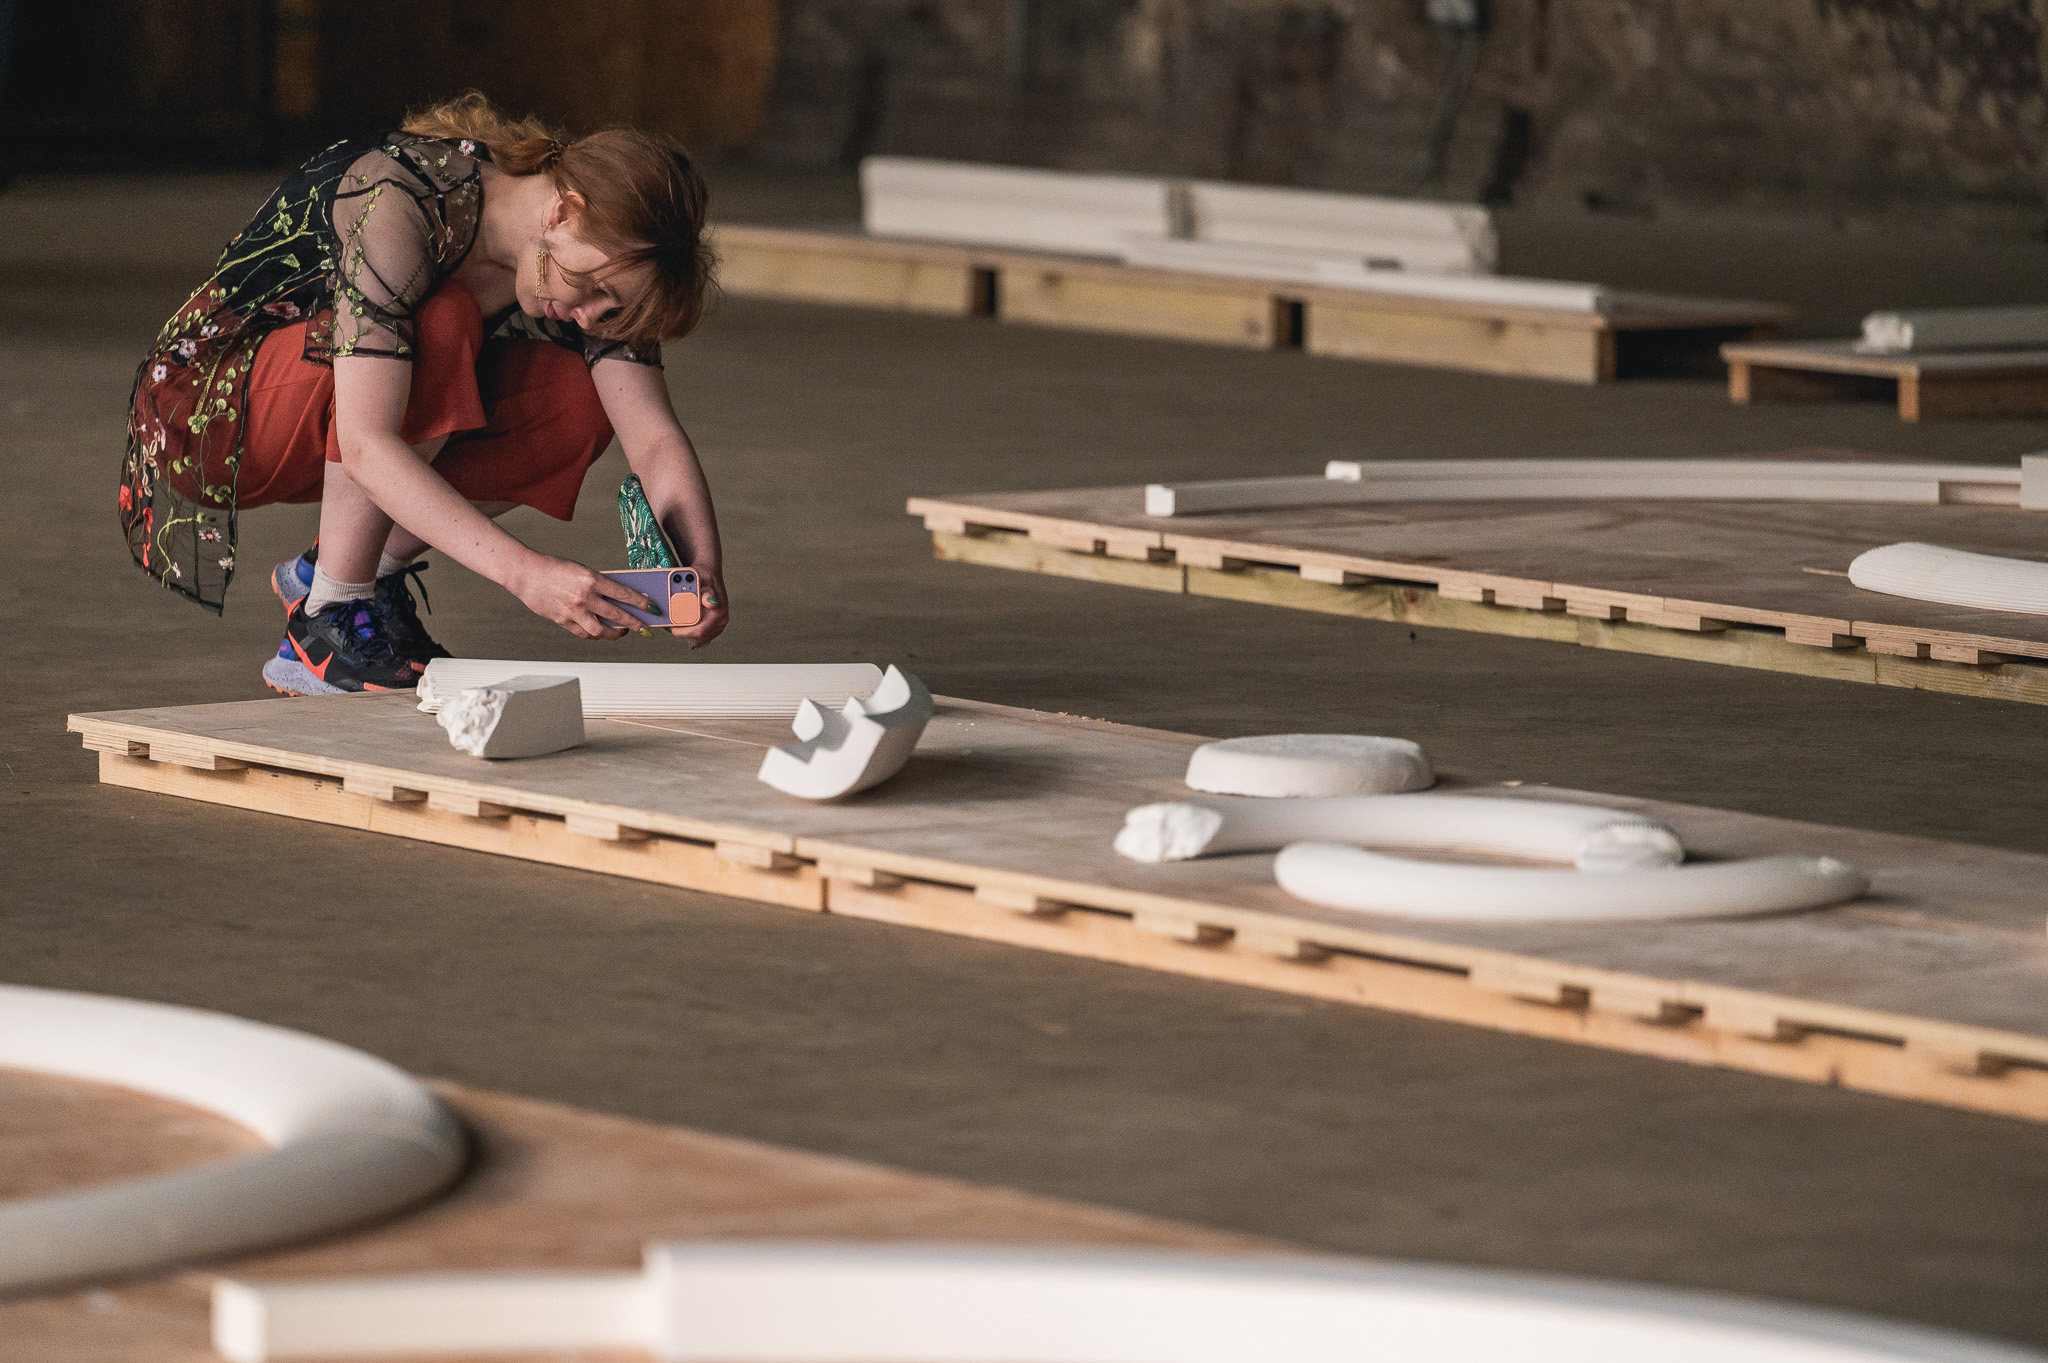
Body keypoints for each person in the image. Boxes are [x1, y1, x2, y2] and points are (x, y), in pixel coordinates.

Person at [120, 92, 729, 694]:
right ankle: (328, 618)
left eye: (612, 308)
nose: (592, 317)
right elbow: (365, 445)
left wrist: (701, 569)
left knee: (580, 400)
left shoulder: (571, 267)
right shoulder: (398, 203)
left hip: (334, 413)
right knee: (444, 317)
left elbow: (650, 437)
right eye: (595, 290)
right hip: (206, 416)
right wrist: (528, 575)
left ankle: (345, 574)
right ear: (566, 211)